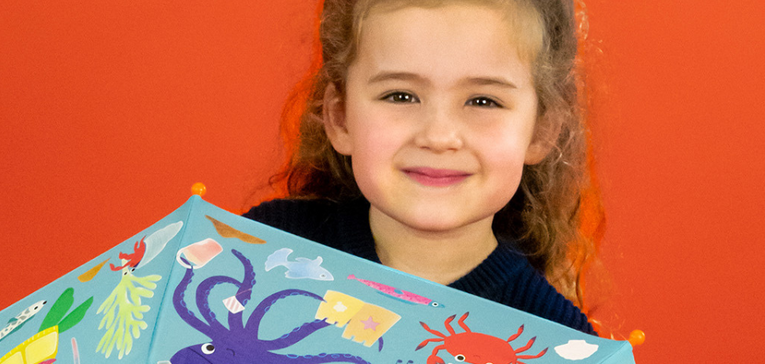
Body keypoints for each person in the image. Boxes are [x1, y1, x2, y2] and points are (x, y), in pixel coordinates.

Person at [245, 0, 599, 333]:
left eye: (483, 101)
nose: (439, 136)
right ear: (340, 118)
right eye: (400, 96)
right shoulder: (261, 249)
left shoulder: (555, 340)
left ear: (541, 131)